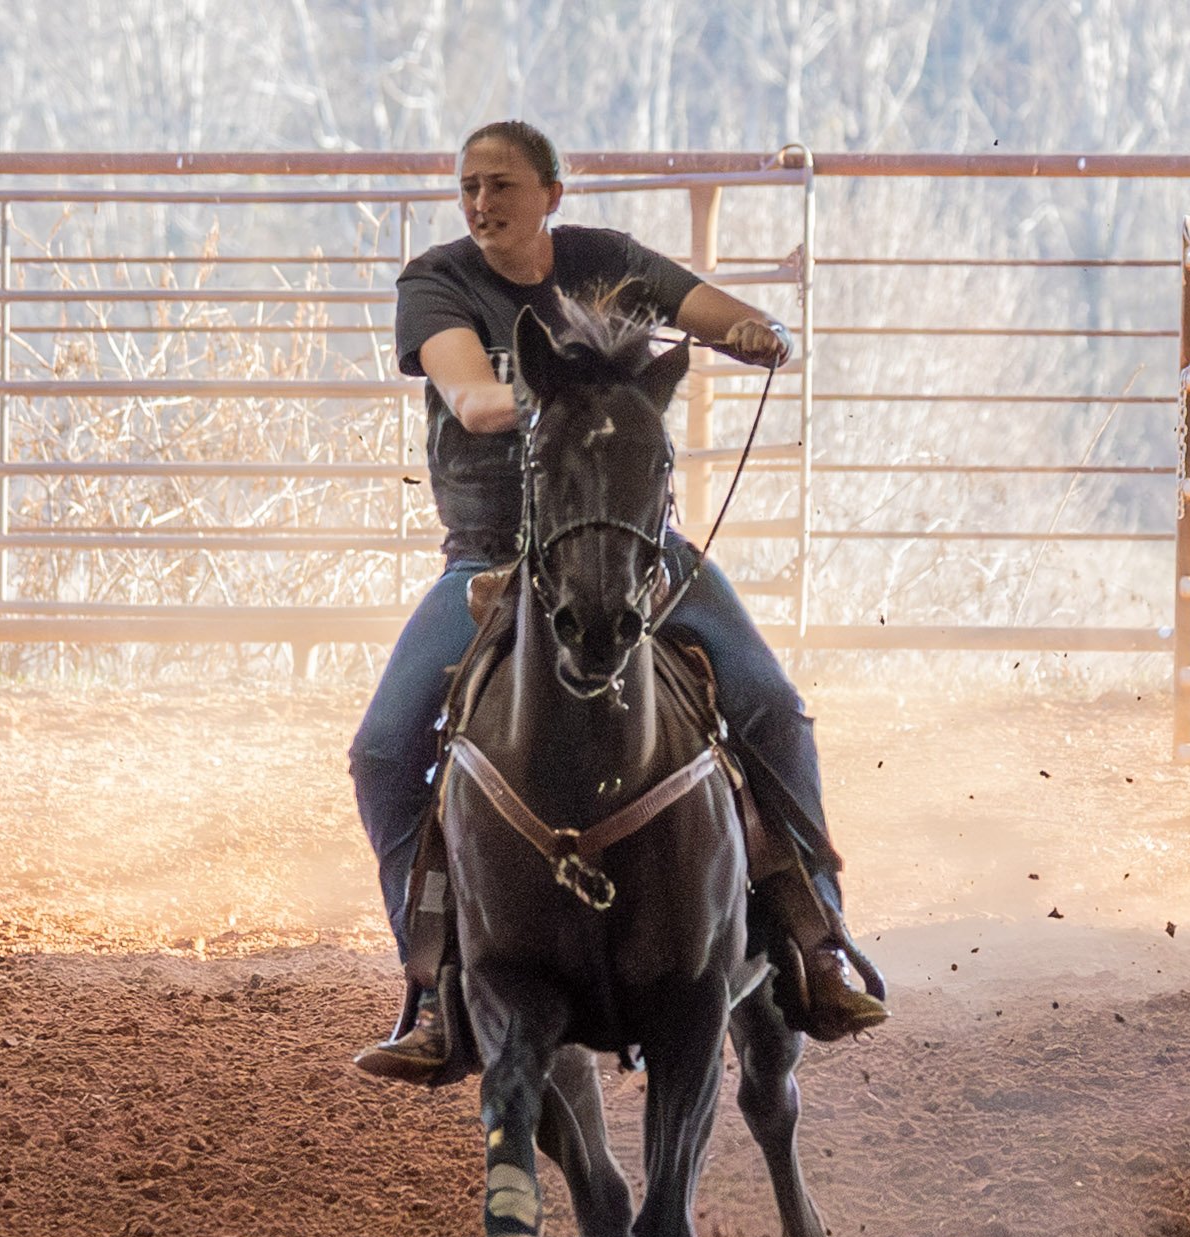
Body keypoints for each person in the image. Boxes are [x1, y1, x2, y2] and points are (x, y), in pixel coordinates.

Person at [349, 120, 884, 1083]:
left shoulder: (603, 262)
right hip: (491, 557)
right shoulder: (437, 283)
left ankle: (816, 934)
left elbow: (709, 309)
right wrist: (579, 396)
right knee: (385, 749)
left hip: (638, 552)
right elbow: (471, 399)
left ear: (551, 194)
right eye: (469, 187)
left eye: (501, 185)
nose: (481, 204)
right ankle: (433, 980)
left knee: (769, 703)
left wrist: (754, 332)